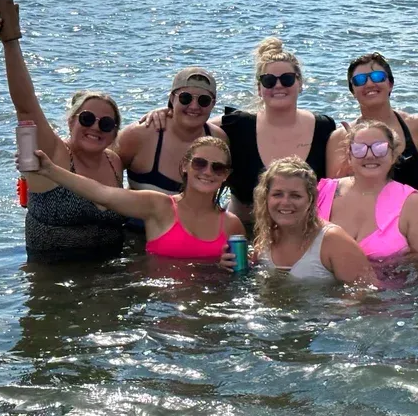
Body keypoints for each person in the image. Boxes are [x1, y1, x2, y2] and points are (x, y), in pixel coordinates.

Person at [0, 0, 126, 262]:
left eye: (106, 123)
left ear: (114, 133)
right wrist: (10, 43)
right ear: (71, 121)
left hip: (109, 279)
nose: (95, 127)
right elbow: (26, 106)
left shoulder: (115, 162)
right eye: (87, 119)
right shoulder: (53, 155)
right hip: (54, 283)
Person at [34, 137, 245, 262]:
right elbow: (102, 194)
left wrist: (225, 268)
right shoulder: (158, 206)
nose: (208, 172)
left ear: (226, 175)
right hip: (161, 310)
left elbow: (240, 275)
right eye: (200, 163)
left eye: (218, 167)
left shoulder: (231, 224)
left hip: (210, 310)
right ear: (185, 166)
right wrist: (51, 170)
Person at [222, 38, 338, 223]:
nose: (278, 86)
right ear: (259, 89)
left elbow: (337, 188)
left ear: (300, 83)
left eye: (287, 79)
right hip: (244, 234)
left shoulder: (324, 128)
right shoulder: (236, 126)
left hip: (302, 234)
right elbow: (193, 124)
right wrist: (164, 115)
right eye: (268, 81)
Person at [316, 120, 418, 261]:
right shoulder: (322, 192)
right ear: (349, 156)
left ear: (393, 156)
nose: (370, 155)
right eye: (359, 149)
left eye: (380, 148)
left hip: (388, 282)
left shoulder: (413, 203)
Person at [251, 157, 376, 284]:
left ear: (310, 200)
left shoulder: (333, 241)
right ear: (266, 198)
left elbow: (365, 293)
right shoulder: (265, 239)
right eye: (277, 194)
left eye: (295, 195)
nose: (285, 202)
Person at [326, 52, 418, 189]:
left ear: (390, 84)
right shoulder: (340, 138)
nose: (370, 83)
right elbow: (332, 194)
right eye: (360, 80)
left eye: (378, 77)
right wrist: (350, 164)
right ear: (352, 91)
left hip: (410, 209)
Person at [117, 67, 226, 195]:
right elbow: (103, 169)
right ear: (172, 98)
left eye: (204, 100)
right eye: (185, 98)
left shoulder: (219, 140)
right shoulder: (140, 134)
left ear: (213, 104)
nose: (194, 106)